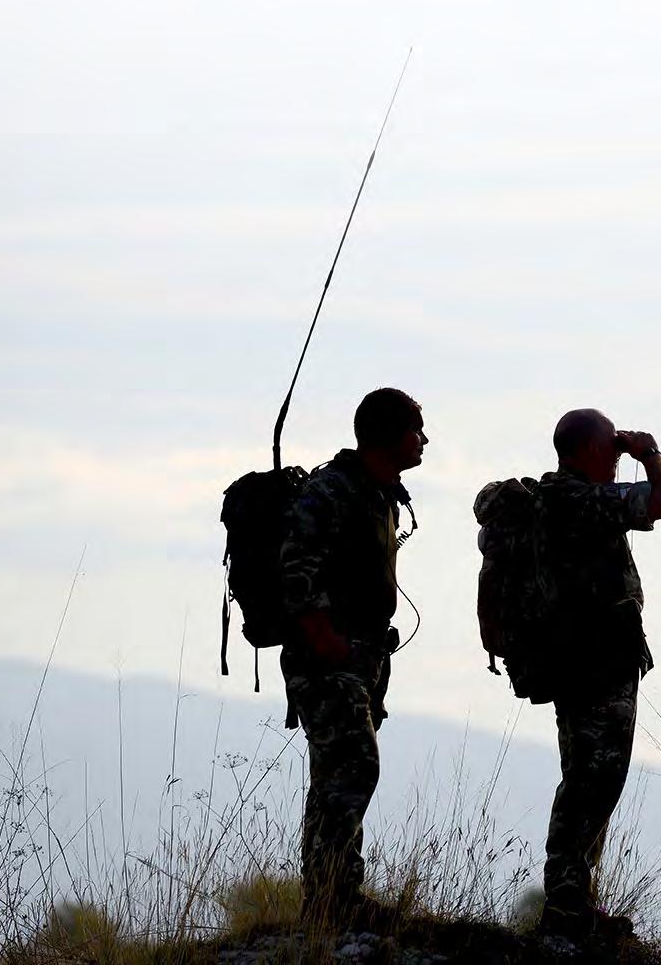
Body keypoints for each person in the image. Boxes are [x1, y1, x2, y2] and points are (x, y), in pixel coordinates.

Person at [280, 388, 428, 927]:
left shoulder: (378, 493)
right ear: (388, 435)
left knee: (335, 776)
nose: (424, 440)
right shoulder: (332, 490)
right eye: (416, 429)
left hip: (360, 658)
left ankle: (326, 900)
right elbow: (295, 569)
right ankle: (336, 898)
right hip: (328, 658)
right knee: (353, 766)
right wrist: (327, 641)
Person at [537, 408, 661, 942]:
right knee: (592, 780)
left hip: (592, 661)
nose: (618, 457)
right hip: (593, 665)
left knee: (591, 778)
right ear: (584, 451)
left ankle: (574, 901)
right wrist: (648, 452)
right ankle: (567, 903)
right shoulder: (575, 498)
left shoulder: (567, 498)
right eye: (610, 448)